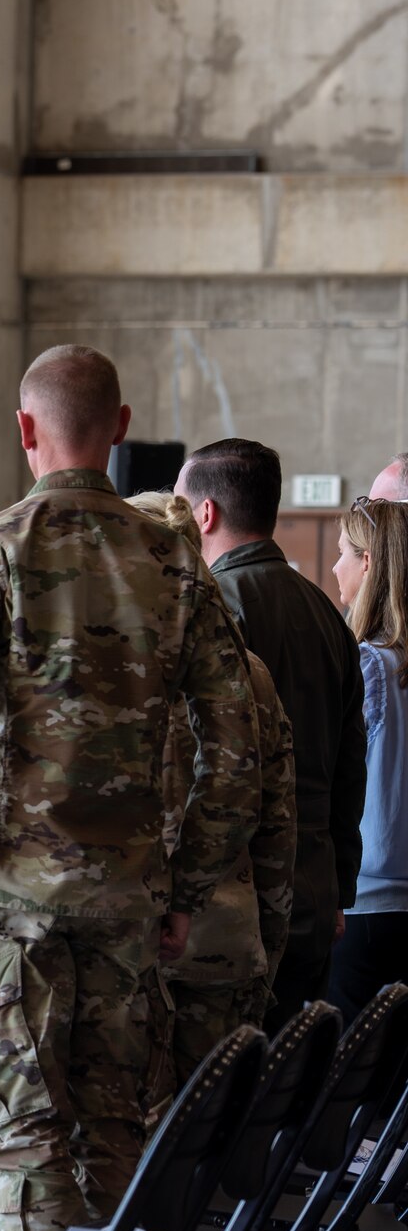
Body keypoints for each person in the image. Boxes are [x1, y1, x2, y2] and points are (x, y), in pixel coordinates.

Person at [0, 344, 257, 1231]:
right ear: (121, 429)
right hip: (131, 907)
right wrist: (189, 891)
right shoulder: (179, 564)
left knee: (28, 1149)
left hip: (9, 916)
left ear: (25, 429)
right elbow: (234, 750)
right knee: (114, 1144)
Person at [178, 439, 365, 1031]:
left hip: (237, 893)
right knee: (287, 1086)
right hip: (313, 883)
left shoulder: (209, 609)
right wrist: (340, 887)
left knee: (217, 1092)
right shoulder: (324, 611)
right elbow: (348, 765)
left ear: (204, 514)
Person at [124, 492, 296, 1089]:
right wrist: (267, 949)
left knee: (120, 1147)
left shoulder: (98, 670)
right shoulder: (249, 673)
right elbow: (275, 828)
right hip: (221, 940)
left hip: (118, 947)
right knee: (209, 1142)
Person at [326, 496, 408, 1019]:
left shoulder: (366, 663)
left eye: (342, 553)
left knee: (348, 1085)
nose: (334, 567)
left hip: (369, 903)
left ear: (369, 562)